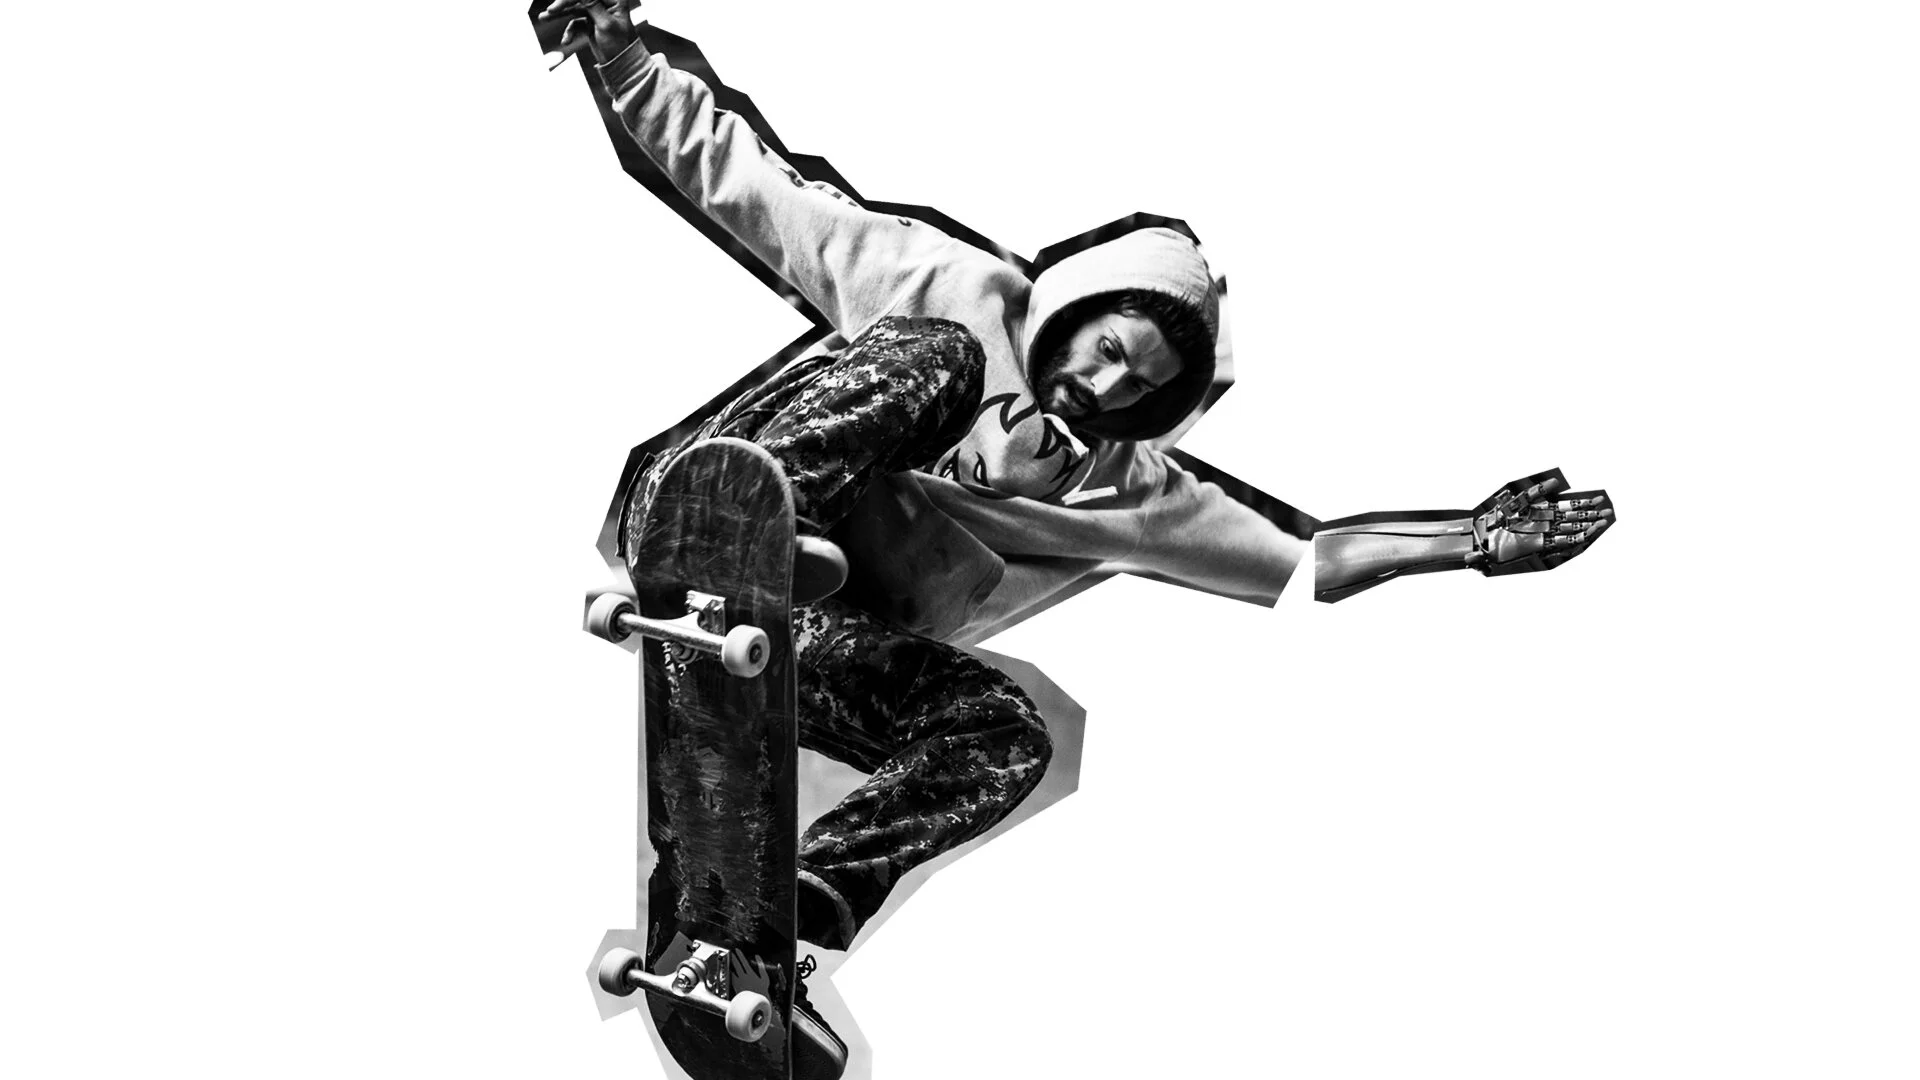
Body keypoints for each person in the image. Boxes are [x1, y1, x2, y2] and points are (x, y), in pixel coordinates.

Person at [541, 0, 1611, 1065]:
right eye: (1104, 350)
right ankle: (758, 536)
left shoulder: (1135, 494)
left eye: (1136, 389)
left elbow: (1307, 558)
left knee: (1005, 732)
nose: (1101, 390)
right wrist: (618, 49)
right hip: (720, 502)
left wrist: (1465, 543)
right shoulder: (945, 281)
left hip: (804, 634)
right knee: (937, 355)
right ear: (1072, 309)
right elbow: (746, 182)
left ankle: (764, 929)